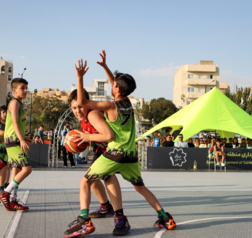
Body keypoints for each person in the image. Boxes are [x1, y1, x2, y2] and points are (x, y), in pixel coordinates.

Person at [64, 54, 176, 237]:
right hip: (131, 154)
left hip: (115, 152)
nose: (111, 84)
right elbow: (115, 85)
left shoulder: (109, 105)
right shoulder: (127, 103)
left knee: (84, 181)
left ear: (116, 88)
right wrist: (106, 67)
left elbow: (88, 108)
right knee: (140, 187)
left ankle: (84, 221)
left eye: (113, 84)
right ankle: (165, 217)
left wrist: (79, 77)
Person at [68, 88, 116, 218]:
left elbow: (109, 135)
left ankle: (118, 213)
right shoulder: (82, 118)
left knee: (108, 179)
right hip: (102, 149)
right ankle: (107, 207)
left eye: (80, 106)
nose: (77, 111)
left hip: (114, 149)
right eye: (74, 108)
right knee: (93, 178)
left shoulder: (92, 114)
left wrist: (88, 137)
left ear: (87, 103)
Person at [0, 78, 32, 211]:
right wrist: (21, 140)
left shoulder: (19, 103)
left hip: (15, 139)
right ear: (14, 90)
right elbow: (15, 123)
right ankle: (5, 193)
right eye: (22, 88)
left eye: (26, 87)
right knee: (27, 169)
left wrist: (25, 137)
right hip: (13, 141)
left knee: (16, 170)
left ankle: (12, 200)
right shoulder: (14, 102)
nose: (25, 90)